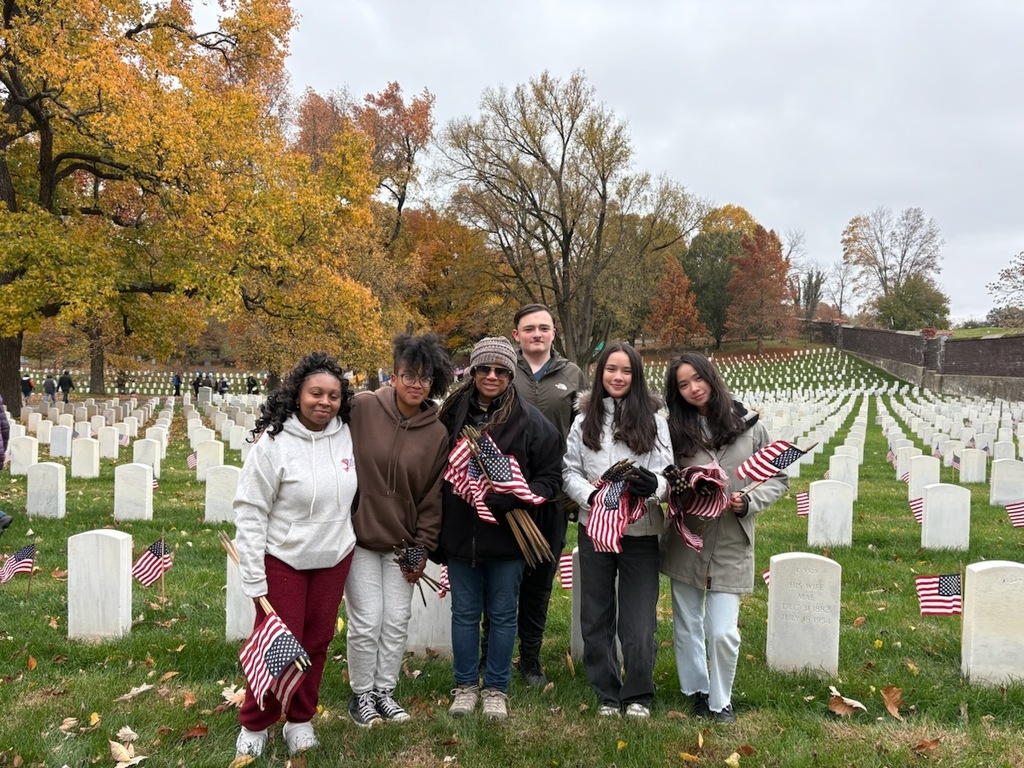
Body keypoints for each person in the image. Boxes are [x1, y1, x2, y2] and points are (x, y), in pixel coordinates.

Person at [232, 352, 358, 758]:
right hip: (283, 558)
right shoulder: (273, 443)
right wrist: (252, 575)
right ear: (297, 394)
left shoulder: (347, 435)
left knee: (317, 641)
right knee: (277, 645)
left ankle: (300, 718)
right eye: (315, 393)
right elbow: (251, 509)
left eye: (333, 396)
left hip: (334, 556)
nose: (324, 402)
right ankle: (256, 721)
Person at [436, 337, 562, 721]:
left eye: (501, 370)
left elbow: (550, 478)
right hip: (461, 532)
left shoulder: (529, 422)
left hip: (508, 536)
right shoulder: (451, 415)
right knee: (464, 613)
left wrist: (520, 498)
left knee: (505, 614)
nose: (492, 376)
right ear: (472, 371)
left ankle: (495, 687)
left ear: (510, 375)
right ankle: (464, 686)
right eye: (484, 369)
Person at [660, 352, 788, 724]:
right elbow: (663, 475)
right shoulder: (674, 431)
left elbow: (777, 477)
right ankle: (697, 690)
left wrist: (748, 501)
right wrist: (683, 490)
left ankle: (721, 699)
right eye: (683, 385)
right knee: (686, 624)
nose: (692, 389)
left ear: (711, 377)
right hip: (688, 538)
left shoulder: (749, 425)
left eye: (697, 379)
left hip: (732, 541)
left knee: (722, 631)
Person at [345, 333, 454, 727]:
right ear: (394, 375)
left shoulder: (436, 433)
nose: (415, 384)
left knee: (395, 620)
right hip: (358, 539)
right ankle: (361, 695)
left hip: (402, 545)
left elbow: (431, 496)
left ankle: (384, 691)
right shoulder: (362, 408)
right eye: (408, 374)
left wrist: (422, 547)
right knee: (367, 620)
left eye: (425, 378)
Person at [562, 342, 672, 718]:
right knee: (595, 613)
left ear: (636, 375)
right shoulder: (583, 421)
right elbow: (570, 471)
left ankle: (638, 692)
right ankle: (607, 691)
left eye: (626, 371)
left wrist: (653, 486)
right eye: (611, 369)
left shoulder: (655, 420)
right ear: (601, 372)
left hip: (640, 529)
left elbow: (666, 472)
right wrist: (591, 498)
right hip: (596, 528)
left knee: (639, 619)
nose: (618, 377)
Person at [497, 303, 587, 687]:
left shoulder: (573, 374)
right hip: (504, 495)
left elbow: (585, 431)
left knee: (540, 578)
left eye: (543, 328)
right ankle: (492, 651)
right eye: (528, 328)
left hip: (551, 494)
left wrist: (573, 492)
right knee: (499, 576)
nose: (536, 334)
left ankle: (530, 657)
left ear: (554, 332)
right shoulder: (502, 371)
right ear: (516, 335)